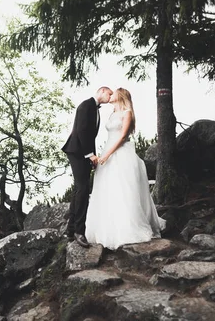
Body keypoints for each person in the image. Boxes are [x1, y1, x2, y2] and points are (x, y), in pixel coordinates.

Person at [85, 87, 166, 250]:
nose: (110, 95)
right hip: (107, 151)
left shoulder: (127, 112)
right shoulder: (112, 114)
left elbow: (122, 136)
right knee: (107, 190)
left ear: (120, 96)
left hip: (120, 154)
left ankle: (127, 229)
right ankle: (107, 228)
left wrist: (107, 154)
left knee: (124, 190)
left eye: (113, 93)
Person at [62, 86, 113, 248]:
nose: (110, 97)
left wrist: (91, 155)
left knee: (79, 189)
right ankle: (79, 231)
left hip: (81, 151)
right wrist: (89, 154)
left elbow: (90, 136)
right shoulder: (86, 105)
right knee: (83, 189)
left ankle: (70, 230)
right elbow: (82, 131)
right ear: (102, 91)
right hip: (77, 151)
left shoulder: (94, 108)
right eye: (109, 94)